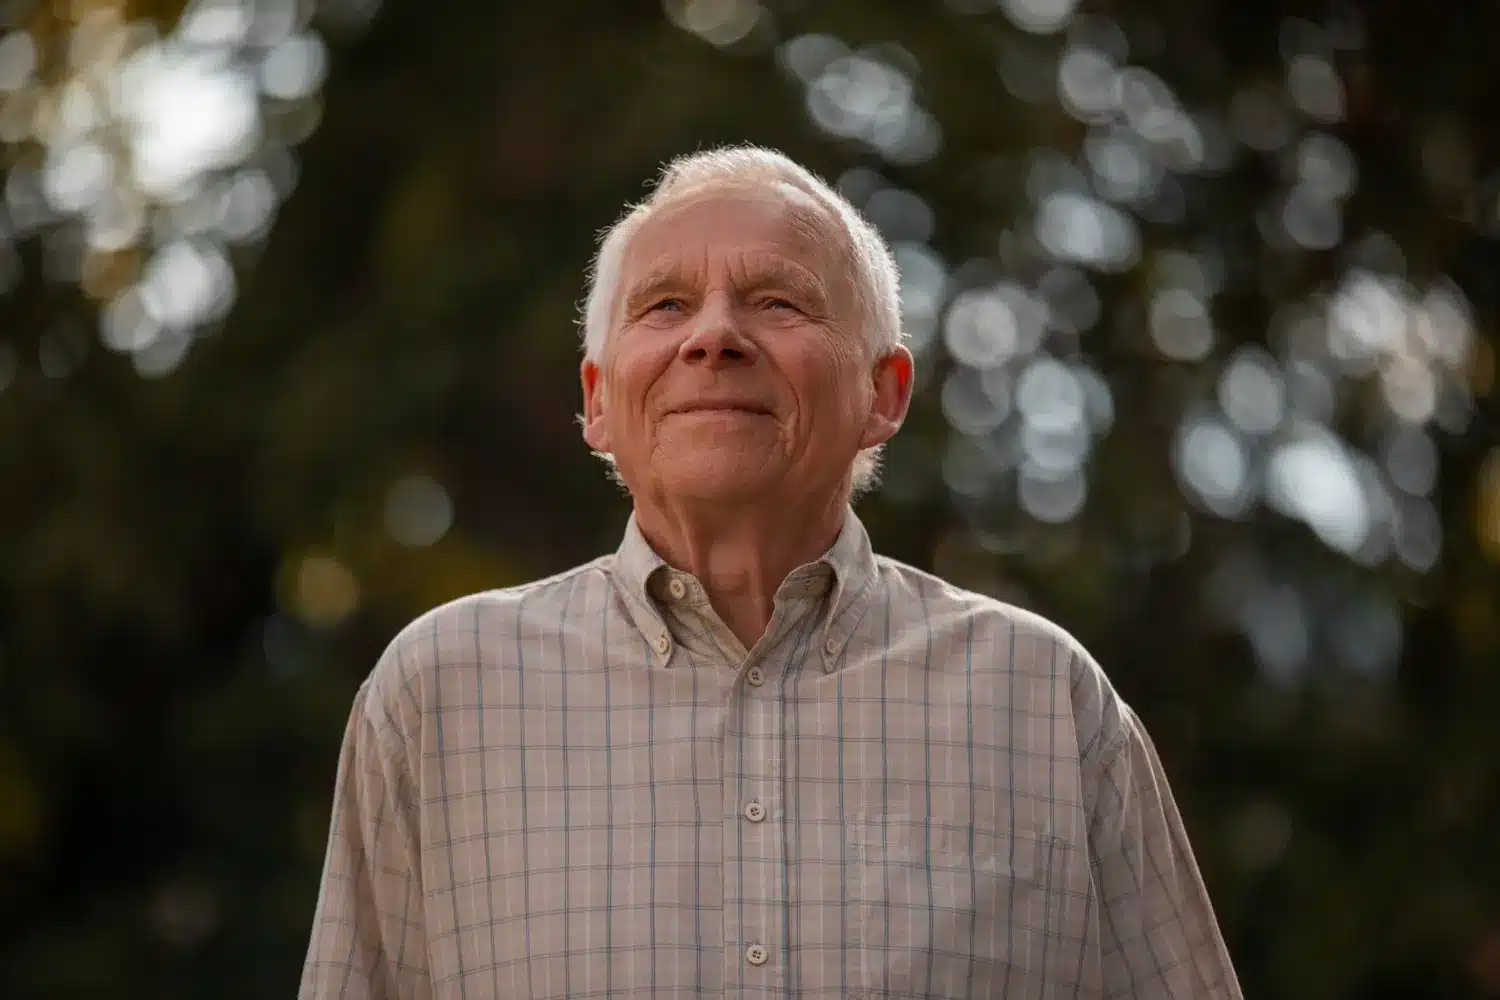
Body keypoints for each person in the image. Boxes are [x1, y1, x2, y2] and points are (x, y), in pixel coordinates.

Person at [299, 145, 1242, 999]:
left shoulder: (1045, 701)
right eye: (666, 305)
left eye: (777, 301)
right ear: (596, 403)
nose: (712, 338)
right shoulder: (437, 696)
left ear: (885, 394)